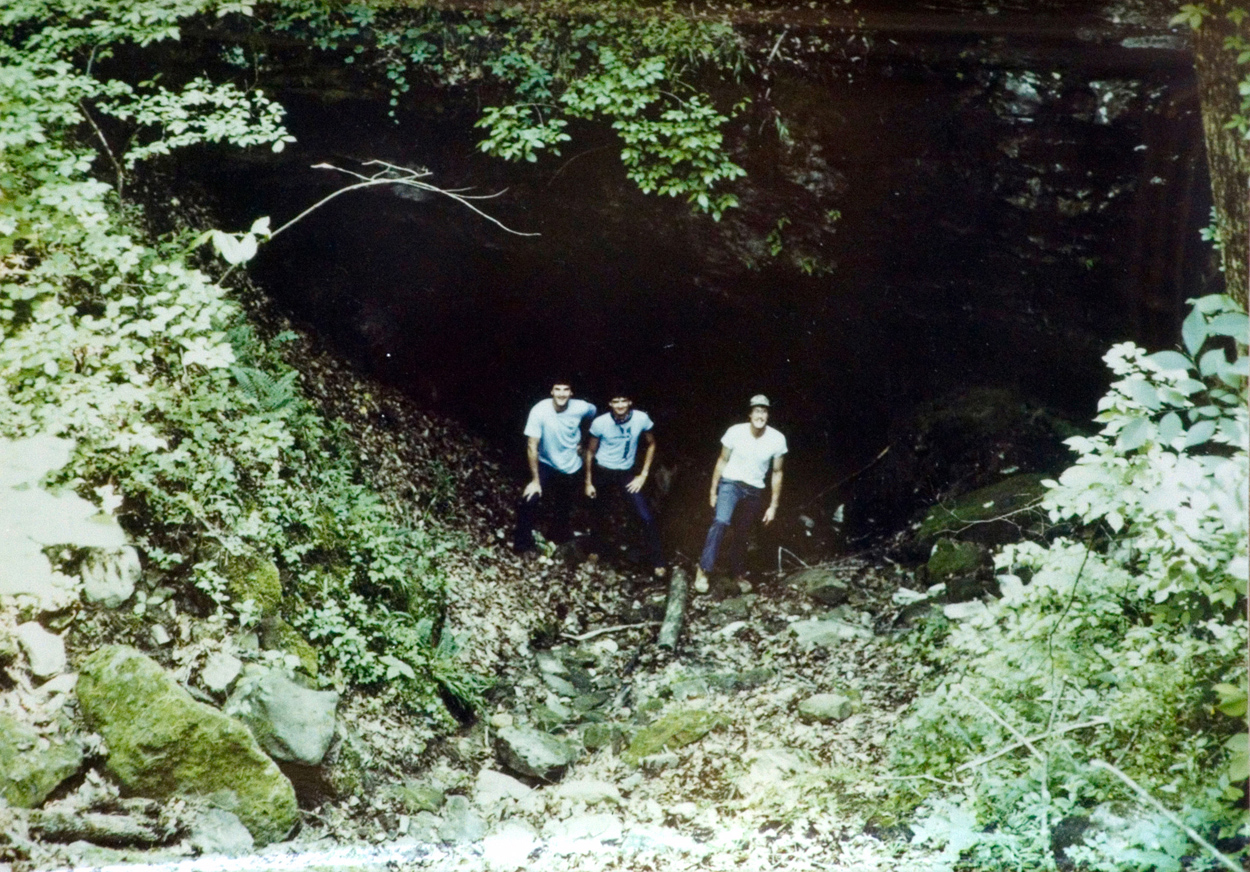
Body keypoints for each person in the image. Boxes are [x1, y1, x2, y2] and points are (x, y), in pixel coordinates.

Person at [693, 394, 787, 593]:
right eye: (757, 411)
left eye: (764, 411)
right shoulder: (735, 432)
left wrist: (773, 506)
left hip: (754, 489)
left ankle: (737, 572)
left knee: (743, 531)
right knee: (721, 521)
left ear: (768, 415)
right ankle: (703, 569)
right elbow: (722, 460)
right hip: (731, 483)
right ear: (750, 414)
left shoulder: (777, 439)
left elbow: (777, 473)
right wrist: (713, 491)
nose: (760, 415)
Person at [584, 391, 666, 577]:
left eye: (623, 401)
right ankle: (595, 551)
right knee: (599, 511)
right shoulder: (601, 422)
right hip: (603, 471)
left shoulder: (641, 419)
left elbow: (651, 444)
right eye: (615, 401)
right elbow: (590, 451)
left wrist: (643, 474)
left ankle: (658, 561)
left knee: (645, 515)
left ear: (630, 402)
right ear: (610, 403)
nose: (620, 405)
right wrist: (588, 482)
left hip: (626, 473)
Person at [513, 381, 596, 554]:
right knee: (529, 500)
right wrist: (535, 481)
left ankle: (558, 538)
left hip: (571, 465)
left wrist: (585, 440)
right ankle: (522, 546)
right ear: (551, 391)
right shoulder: (539, 410)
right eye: (557, 389)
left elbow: (594, 416)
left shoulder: (581, 407)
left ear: (571, 393)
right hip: (546, 462)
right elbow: (532, 445)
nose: (561, 394)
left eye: (566, 389)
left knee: (564, 505)